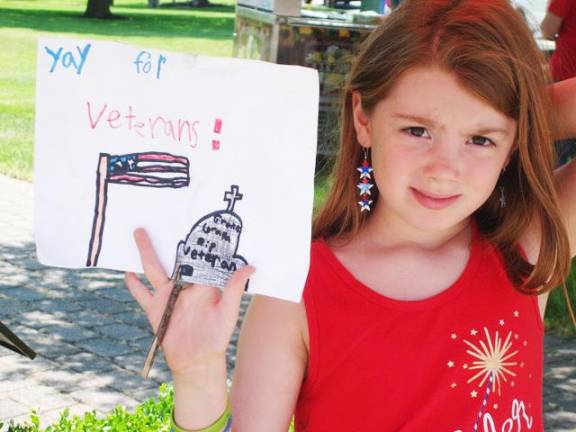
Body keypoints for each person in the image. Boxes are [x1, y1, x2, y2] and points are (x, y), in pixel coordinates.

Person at [125, 0, 576, 430]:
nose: (444, 170)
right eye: (417, 130)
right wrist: (199, 373)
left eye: (480, 140)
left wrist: (527, 116)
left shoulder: (525, 250)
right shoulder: (297, 290)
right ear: (363, 118)